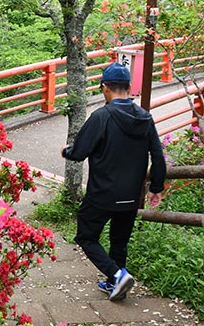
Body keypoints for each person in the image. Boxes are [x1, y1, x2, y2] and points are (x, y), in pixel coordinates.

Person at [61, 62, 166, 302]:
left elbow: (78, 152)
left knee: (86, 235)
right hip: (131, 193)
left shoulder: (101, 116)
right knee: (120, 240)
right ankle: (114, 283)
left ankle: (117, 275)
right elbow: (158, 155)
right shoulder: (145, 118)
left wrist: (65, 151)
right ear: (129, 88)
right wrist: (156, 188)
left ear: (104, 88)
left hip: (103, 193)